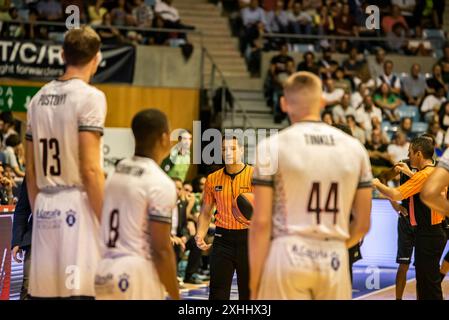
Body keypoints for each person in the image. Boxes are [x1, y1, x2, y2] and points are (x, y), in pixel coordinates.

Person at [249, 71, 372, 300]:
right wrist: (332, 247)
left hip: (288, 252)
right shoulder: (356, 149)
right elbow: (363, 223)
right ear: (323, 101)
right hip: (334, 255)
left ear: (284, 104)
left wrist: (254, 284)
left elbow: (261, 222)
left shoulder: (272, 146)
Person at [25, 26, 106, 299]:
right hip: (77, 206)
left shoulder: (36, 100)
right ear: (96, 58)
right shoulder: (91, 97)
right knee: (80, 294)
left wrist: (41, 213)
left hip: (45, 205)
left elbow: (31, 169)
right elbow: (91, 169)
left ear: (62, 54)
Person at [95, 109, 179, 300]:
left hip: (104, 268)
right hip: (137, 273)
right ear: (164, 137)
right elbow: (162, 249)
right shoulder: (160, 182)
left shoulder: (116, 172)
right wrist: (175, 295)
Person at [373, 137, 447, 300]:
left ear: (419, 154)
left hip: (428, 234)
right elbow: (420, 181)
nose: (408, 155)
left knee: (428, 284)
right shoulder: (434, 171)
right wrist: (408, 171)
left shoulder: (424, 175)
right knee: (427, 282)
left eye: (410, 152)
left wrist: (376, 182)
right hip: (431, 233)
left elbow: (394, 193)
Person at [195, 135, 254, 300]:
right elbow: (206, 212)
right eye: (224, 149)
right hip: (222, 239)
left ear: (241, 151)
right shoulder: (212, 179)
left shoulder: (255, 175)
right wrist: (200, 234)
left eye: (233, 148)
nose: (228, 152)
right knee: (217, 293)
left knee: (249, 294)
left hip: (249, 240)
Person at [11, 178, 32, 300]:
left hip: (69, 237)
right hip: (36, 236)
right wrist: (17, 241)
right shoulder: (33, 168)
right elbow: (22, 210)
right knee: (27, 288)